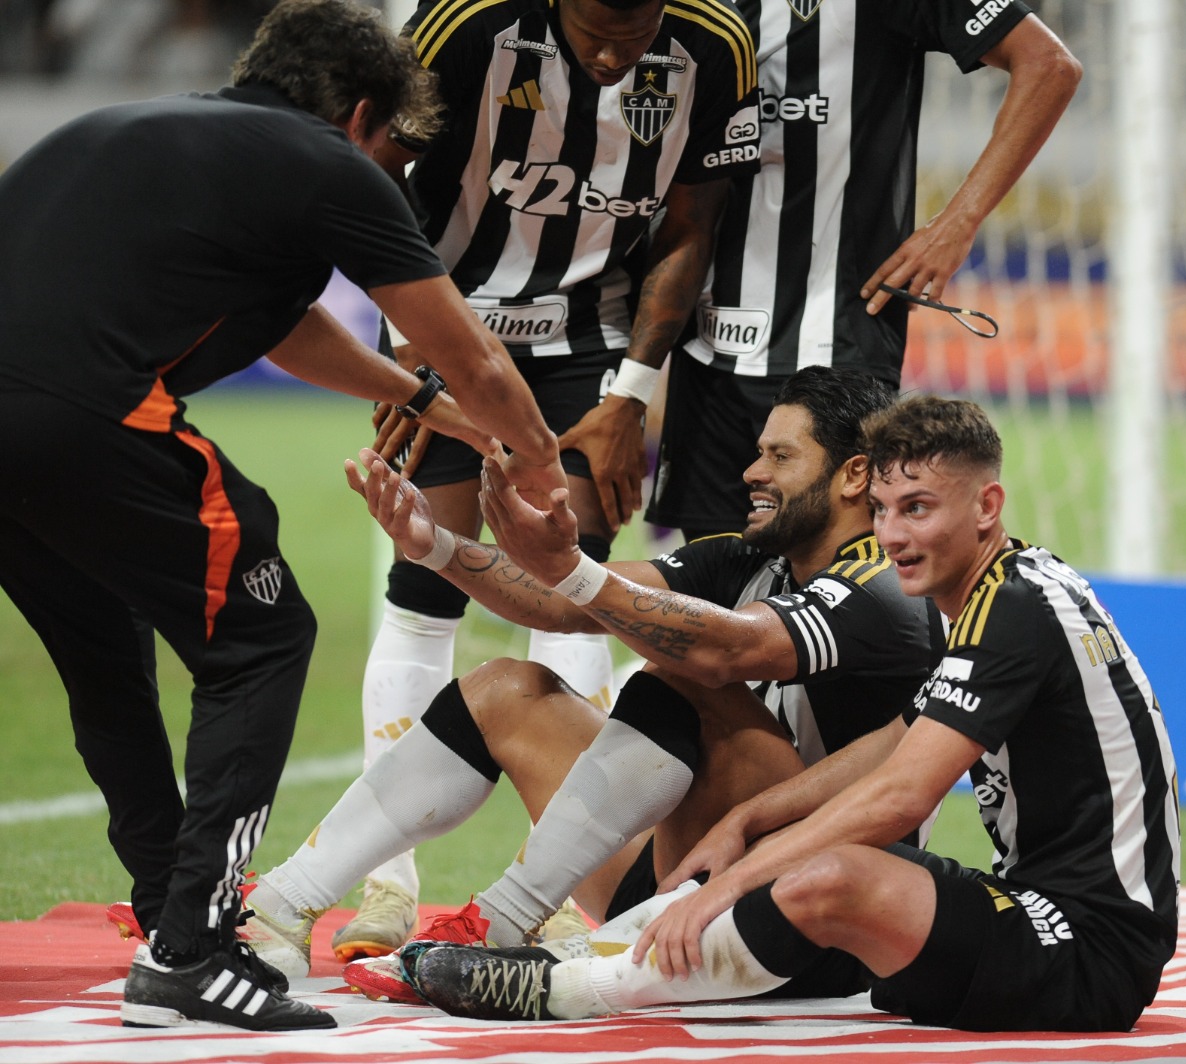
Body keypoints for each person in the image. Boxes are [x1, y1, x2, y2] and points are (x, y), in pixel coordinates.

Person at [0, 0, 572, 1033]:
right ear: (361, 116)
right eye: (396, 146)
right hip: (86, 408)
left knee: (107, 648)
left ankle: (170, 916)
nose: (396, 170)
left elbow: (293, 327)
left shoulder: (155, 131)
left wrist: (423, 404)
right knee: (264, 632)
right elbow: (477, 350)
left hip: (20, 428)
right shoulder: (328, 164)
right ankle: (189, 945)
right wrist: (539, 461)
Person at [406, 395, 1182, 1033]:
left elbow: (900, 795)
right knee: (815, 855)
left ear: (988, 504)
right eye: (884, 510)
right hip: (1038, 910)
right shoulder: (1009, 588)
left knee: (835, 873)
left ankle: (570, 989)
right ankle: (558, 950)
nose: (895, 536)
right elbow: (896, 742)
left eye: (918, 508)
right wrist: (752, 819)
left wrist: (727, 883)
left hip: (1086, 945)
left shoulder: (1009, 608)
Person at [236, 367, 942, 1006]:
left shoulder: (885, 587)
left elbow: (727, 650)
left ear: (854, 476)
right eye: (758, 451)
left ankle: (503, 919)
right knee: (506, 690)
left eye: (780, 456)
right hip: (690, 875)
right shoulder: (749, 559)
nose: (753, 471)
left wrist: (574, 570)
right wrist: (438, 547)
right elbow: (564, 604)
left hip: (812, 918)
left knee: (691, 677)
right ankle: (281, 906)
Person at [345, 0, 762, 961]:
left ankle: (567, 893)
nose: (613, 53)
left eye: (633, 29)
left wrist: (634, 395)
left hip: (592, 343)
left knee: (578, 595)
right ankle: (384, 886)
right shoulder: (465, 24)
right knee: (421, 593)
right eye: (591, 33)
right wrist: (407, 349)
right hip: (453, 325)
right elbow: (375, 172)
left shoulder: (716, 41)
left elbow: (693, 223)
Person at [615, 0, 1083, 544]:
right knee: (713, 586)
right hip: (706, 346)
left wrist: (958, 222)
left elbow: (1049, 64)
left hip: (836, 344)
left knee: (831, 589)